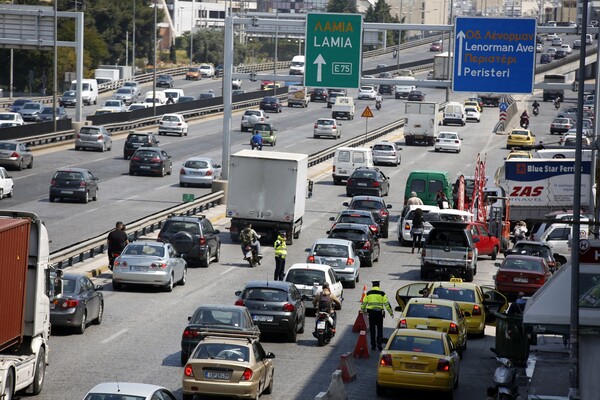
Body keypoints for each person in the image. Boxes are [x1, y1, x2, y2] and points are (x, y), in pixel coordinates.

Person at [361, 281, 394, 351]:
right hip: (379, 314)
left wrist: (363, 310)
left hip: (371, 314)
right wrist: (391, 312)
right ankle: (379, 345)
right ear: (379, 286)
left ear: (372, 286)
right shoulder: (382, 294)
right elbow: (387, 303)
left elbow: (364, 303)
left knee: (372, 330)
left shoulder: (368, 293)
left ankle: (373, 345)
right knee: (380, 329)